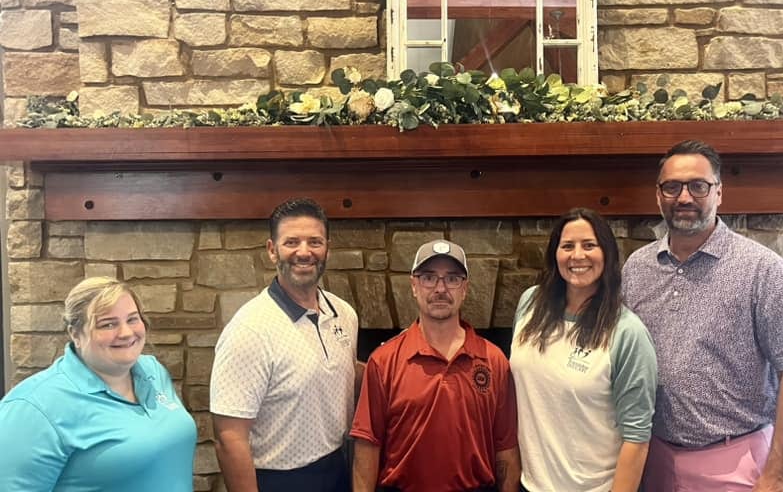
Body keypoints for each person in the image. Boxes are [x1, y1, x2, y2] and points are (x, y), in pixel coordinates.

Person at [622, 139, 783, 492]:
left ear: (719, 192)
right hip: (655, 460)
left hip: (736, 463)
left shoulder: (761, 268)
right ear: (658, 194)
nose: (684, 197)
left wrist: (777, 474)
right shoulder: (637, 268)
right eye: (672, 186)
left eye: (698, 186)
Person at [210, 197, 359, 492]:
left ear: (327, 248)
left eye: (314, 242)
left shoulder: (345, 313)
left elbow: (341, 371)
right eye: (292, 242)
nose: (304, 252)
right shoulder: (249, 329)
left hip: (337, 467)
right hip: (279, 479)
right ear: (272, 250)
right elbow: (229, 437)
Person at [351, 239, 520, 492]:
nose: (440, 288)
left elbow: (505, 448)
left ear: (465, 288)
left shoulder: (494, 360)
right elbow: (367, 446)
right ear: (414, 285)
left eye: (452, 278)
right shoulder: (384, 361)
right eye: (429, 277)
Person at [0, 276, 197, 491]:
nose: (126, 333)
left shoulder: (152, 371)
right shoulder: (33, 407)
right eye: (108, 324)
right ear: (75, 334)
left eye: (132, 319)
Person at [510, 208, 657, 492]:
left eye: (589, 245)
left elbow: (637, 438)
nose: (578, 256)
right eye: (567, 246)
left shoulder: (628, 333)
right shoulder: (529, 304)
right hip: (531, 484)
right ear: (555, 254)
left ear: (607, 254)